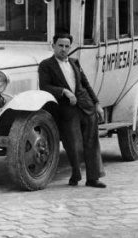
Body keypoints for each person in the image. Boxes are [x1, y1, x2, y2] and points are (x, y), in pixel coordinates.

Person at [39, 31, 105, 188]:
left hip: (86, 106)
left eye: (67, 46)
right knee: (73, 144)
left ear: (70, 47)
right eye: (60, 46)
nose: (63, 49)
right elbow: (44, 86)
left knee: (92, 142)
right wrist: (64, 91)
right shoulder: (46, 65)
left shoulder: (75, 62)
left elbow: (86, 84)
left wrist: (97, 104)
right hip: (67, 110)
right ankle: (76, 173)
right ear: (53, 46)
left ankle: (93, 178)